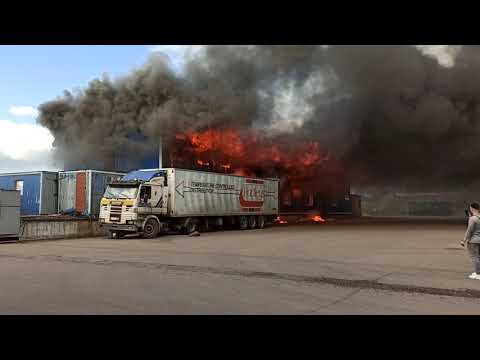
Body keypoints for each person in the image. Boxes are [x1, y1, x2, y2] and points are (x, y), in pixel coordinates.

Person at [461, 202, 480, 280]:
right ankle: (478, 272)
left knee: (474, 257)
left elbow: (469, 231)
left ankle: (478, 274)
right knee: (479, 257)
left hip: (474, 241)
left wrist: (464, 240)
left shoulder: (473, 219)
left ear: (472, 208)